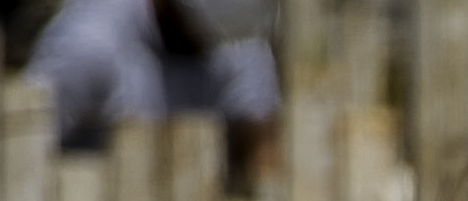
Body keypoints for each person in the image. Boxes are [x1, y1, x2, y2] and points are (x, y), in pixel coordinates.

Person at [25, 0, 280, 180]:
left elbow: (262, 144)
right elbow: (24, 159)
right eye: (195, 38)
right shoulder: (87, 49)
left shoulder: (238, 38)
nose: (208, 52)